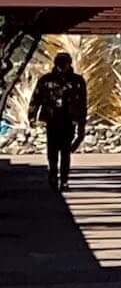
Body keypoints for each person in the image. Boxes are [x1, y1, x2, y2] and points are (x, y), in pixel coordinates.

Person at [28, 50, 88, 192]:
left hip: (69, 120)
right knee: (52, 152)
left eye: (64, 63)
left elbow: (82, 104)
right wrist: (32, 116)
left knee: (66, 152)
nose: (62, 66)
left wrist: (81, 124)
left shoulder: (77, 81)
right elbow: (36, 98)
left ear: (69, 64)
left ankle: (64, 180)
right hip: (52, 120)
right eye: (59, 63)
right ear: (55, 64)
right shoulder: (46, 80)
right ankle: (53, 176)